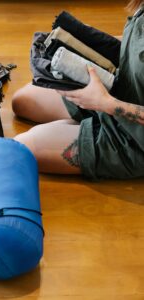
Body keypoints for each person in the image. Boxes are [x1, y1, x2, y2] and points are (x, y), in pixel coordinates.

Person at [12, 0, 144, 180]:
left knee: (21, 148)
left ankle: (89, 132)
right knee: (22, 101)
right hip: (120, 88)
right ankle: (83, 125)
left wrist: (106, 104)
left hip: (133, 138)